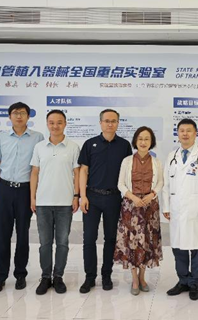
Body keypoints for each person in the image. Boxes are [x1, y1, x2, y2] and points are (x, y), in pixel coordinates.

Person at [0, 102, 44, 293]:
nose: (19, 116)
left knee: (23, 235)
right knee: (3, 235)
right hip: (4, 189)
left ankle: (20, 274)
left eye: (22, 113)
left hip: (25, 191)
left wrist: (34, 196)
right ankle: (0, 277)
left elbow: (38, 168)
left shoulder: (38, 137)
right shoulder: (1, 137)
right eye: (15, 113)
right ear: (9, 116)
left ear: (28, 116)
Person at [78, 109, 132, 293]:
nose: (110, 124)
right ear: (100, 122)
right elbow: (83, 171)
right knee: (89, 239)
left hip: (114, 198)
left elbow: (127, 173)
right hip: (92, 197)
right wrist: (82, 196)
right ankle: (89, 277)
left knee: (110, 238)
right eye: (107, 121)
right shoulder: (90, 144)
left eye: (114, 121)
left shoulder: (124, 145)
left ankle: (106, 275)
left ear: (118, 123)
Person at [162, 118, 198, 301]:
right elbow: (166, 184)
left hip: (196, 210)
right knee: (178, 247)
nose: (185, 134)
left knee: (197, 247)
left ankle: (194, 283)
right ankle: (183, 280)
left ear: (195, 133)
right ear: (178, 133)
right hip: (176, 209)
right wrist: (166, 206)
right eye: (182, 130)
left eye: (189, 130)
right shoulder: (172, 156)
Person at [30, 110, 80, 295]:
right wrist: (33, 197)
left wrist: (76, 196)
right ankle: (45, 277)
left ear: (65, 124)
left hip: (65, 203)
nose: (55, 126)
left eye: (59, 122)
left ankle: (58, 277)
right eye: (51, 122)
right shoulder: (39, 147)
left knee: (62, 243)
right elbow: (34, 173)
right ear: (47, 124)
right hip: (43, 202)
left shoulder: (73, 147)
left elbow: (77, 173)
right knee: (44, 243)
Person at [114, 126, 164, 295]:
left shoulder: (157, 162)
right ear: (135, 141)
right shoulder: (127, 161)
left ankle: (143, 277)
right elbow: (120, 184)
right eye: (140, 139)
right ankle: (135, 279)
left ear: (151, 142)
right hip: (131, 207)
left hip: (150, 207)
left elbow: (161, 182)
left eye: (147, 139)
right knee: (132, 243)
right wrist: (133, 197)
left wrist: (152, 194)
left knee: (147, 242)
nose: (143, 142)